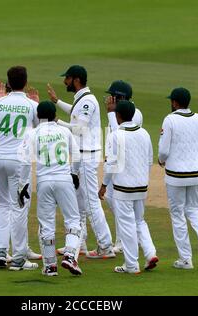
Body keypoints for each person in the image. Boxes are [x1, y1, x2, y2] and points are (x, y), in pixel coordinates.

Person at [47, 65, 115, 259]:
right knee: (77, 201)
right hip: (80, 156)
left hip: (86, 156)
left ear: (76, 79)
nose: (64, 82)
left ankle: (105, 246)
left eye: (67, 78)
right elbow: (75, 114)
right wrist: (57, 101)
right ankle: (80, 243)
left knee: (91, 203)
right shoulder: (83, 100)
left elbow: (78, 129)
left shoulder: (87, 101)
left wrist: (56, 122)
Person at [0, 66, 39, 271]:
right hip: (19, 161)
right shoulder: (31, 105)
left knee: (2, 205)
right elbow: (41, 130)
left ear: (8, 82)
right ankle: (19, 258)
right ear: (25, 82)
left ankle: (1, 252)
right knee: (19, 206)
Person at [18, 101, 83, 276]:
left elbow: (24, 162)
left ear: (38, 117)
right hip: (64, 179)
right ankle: (70, 255)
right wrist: (75, 174)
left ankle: (50, 266)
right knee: (73, 220)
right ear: (55, 115)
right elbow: (77, 156)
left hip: (43, 181)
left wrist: (23, 185)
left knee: (46, 224)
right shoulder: (64, 131)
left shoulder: (32, 133)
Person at [98, 100, 157, 274]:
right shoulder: (144, 133)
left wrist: (103, 185)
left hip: (123, 188)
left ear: (118, 116)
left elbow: (111, 165)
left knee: (127, 225)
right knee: (140, 221)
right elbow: (148, 160)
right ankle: (150, 253)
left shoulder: (115, 135)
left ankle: (131, 265)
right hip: (141, 186)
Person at [158, 87, 198, 269]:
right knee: (193, 210)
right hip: (195, 173)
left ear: (174, 102)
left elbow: (164, 150)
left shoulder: (170, 119)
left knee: (177, 214)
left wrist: (161, 160)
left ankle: (186, 259)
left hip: (175, 175)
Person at [104, 80, 143, 254]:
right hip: (118, 162)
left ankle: (124, 240)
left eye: (112, 96)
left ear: (120, 97)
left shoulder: (134, 113)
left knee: (120, 203)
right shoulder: (117, 112)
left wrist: (111, 114)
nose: (109, 99)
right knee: (113, 200)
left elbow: (117, 132)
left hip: (127, 166)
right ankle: (127, 237)